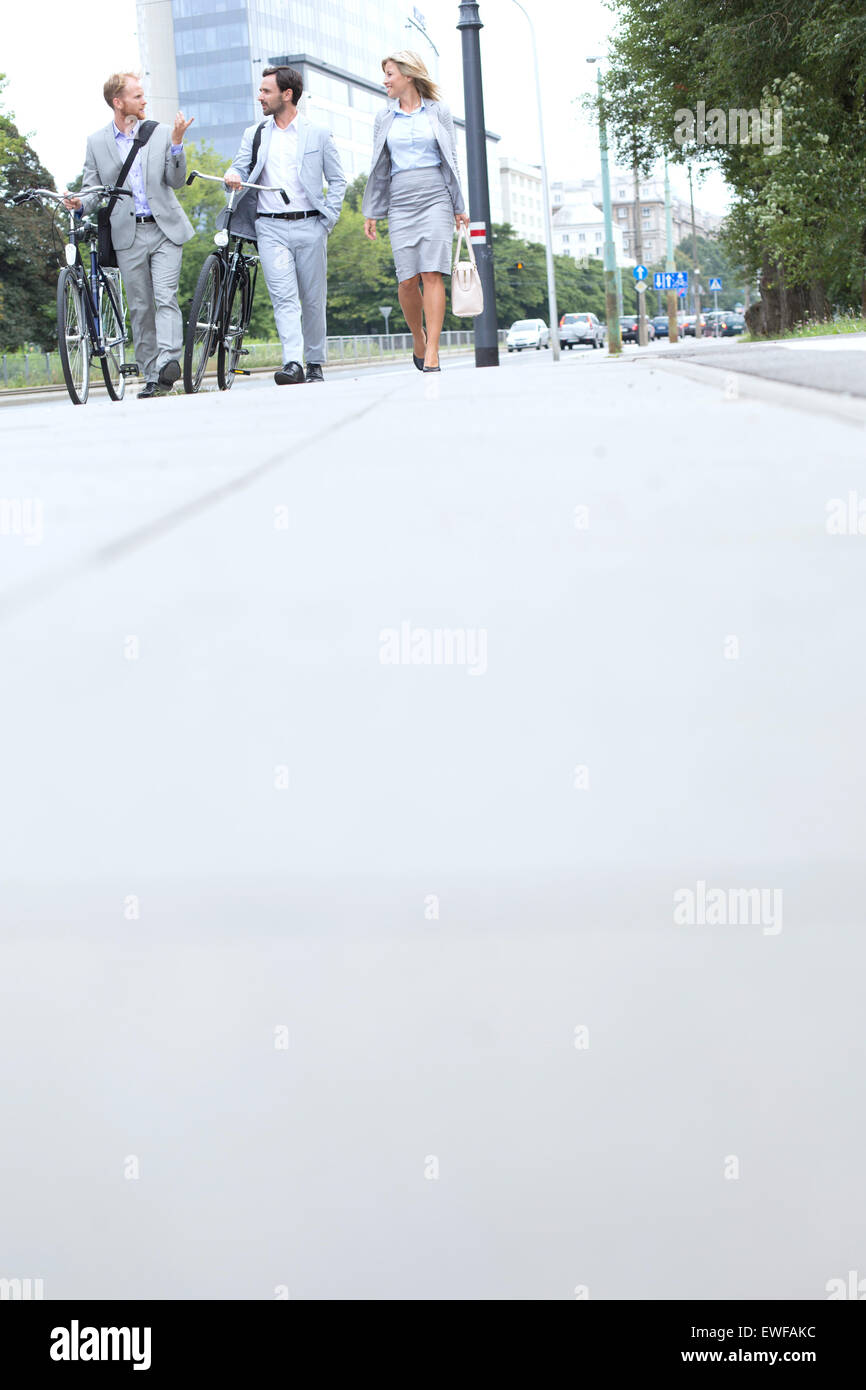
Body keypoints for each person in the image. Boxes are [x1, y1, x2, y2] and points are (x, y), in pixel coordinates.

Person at [64, 73, 194, 399]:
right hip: (128, 234)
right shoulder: (96, 143)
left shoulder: (161, 133)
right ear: (118, 102)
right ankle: (152, 376)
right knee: (139, 307)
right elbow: (94, 191)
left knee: (165, 297)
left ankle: (168, 361)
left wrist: (177, 143)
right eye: (137, 96)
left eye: (143, 95)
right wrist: (80, 202)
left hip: (164, 229)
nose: (144, 101)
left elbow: (176, 181)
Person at [224, 66, 346, 385]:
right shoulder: (256, 134)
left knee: (312, 298)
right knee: (284, 297)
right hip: (269, 228)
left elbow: (337, 180)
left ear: (286, 94)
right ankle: (293, 362)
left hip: (310, 226)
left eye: (266, 91)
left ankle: (315, 361)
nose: (260, 96)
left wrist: (327, 221)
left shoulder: (317, 133)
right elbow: (238, 167)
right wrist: (233, 177)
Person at [363, 51, 470, 373]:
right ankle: (418, 336)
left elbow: (451, 159)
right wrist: (372, 210)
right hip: (400, 198)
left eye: (390, 74)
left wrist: (458, 206)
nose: (385, 81)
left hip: (435, 194)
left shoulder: (439, 112)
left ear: (408, 76)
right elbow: (378, 166)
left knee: (432, 273)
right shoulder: (384, 117)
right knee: (407, 280)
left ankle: (434, 351)